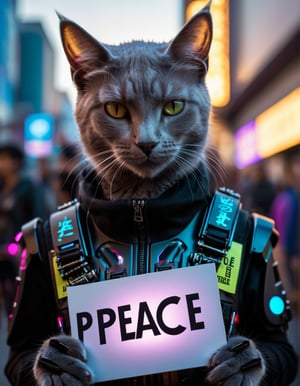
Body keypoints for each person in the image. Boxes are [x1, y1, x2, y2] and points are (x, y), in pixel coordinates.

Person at [0, 143, 39, 315]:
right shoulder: (2, 189)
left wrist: (20, 247)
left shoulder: (28, 187)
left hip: (20, 252)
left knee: (21, 299)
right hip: (3, 254)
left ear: (15, 162)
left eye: (3, 158)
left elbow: (35, 219)